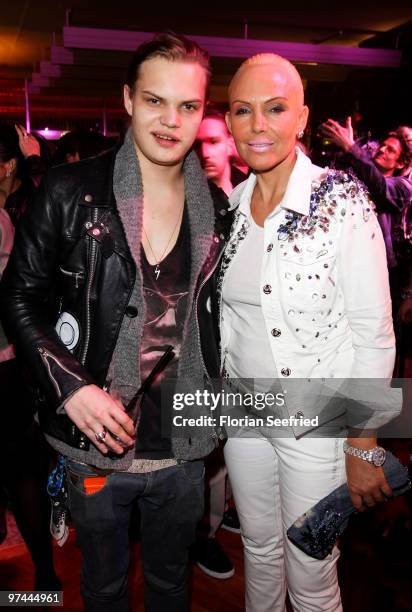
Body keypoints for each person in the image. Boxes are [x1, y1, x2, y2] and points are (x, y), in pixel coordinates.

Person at [0, 33, 230, 612]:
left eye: (188, 105)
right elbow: (19, 296)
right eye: (156, 100)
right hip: (93, 443)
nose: (171, 120)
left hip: (185, 445)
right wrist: (69, 388)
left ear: (203, 112)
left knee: (171, 583)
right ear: (127, 99)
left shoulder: (219, 208)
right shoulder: (69, 191)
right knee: (102, 587)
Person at [218, 53, 401, 611]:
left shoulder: (343, 201)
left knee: (311, 565)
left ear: (301, 117)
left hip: (316, 425)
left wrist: (364, 444)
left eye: (274, 109)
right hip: (243, 415)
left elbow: (373, 333)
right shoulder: (233, 207)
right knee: (259, 549)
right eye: (243, 110)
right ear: (228, 122)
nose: (258, 125)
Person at [195, 109, 246, 196]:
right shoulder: (183, 198)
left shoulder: (251, 190)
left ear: (230, 145)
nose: (204, 153)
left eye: (213, 142)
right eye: (198, 144)